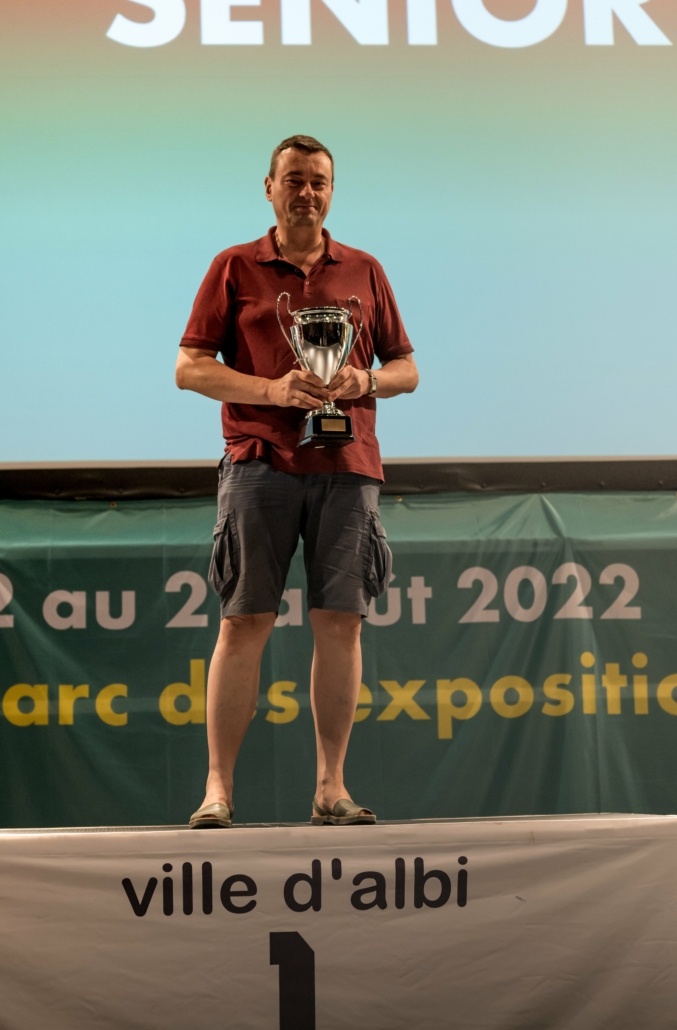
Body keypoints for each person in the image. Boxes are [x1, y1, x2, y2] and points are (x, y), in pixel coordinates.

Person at [176, 134, 418, 828]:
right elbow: (189, 368)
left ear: (330, 191)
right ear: (269, 187)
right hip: (258, 462)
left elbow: (407, 369)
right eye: (293, 180)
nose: (305, 191)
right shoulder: (233, 266)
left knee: (340, 624)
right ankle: (217, 791)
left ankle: (330, 788)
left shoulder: (364, 271)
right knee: (242, 622)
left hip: (347, 467)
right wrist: (272, 391)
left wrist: (364, 379)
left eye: (317, 181)